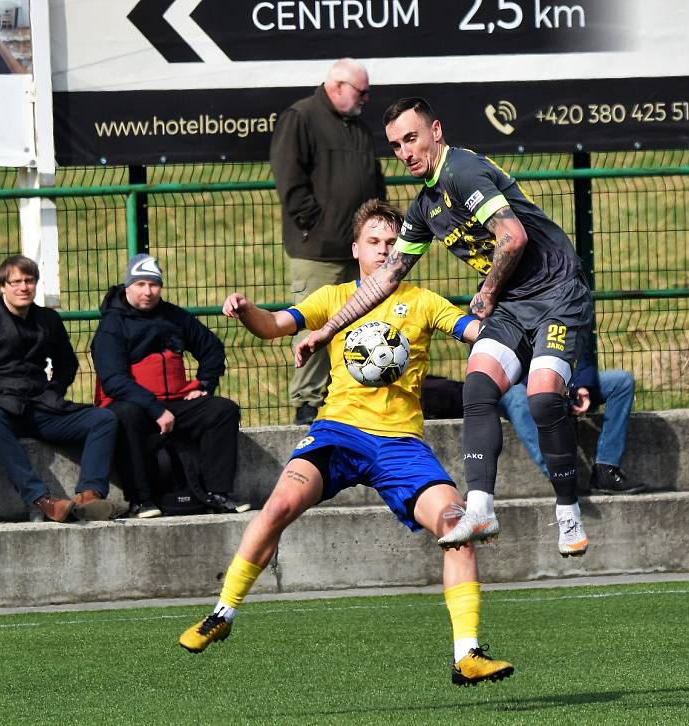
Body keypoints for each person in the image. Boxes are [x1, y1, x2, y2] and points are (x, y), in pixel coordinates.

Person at [178, 200, 514, 687]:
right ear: (356, 248)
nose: (382, 252)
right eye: (373, 243)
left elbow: (473, 331)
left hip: (401, 443)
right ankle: (222, 613)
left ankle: (468, 653)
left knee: (457, 526)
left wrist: (507, 331)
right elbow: (274, 326)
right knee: (278, 506)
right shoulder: (333, 297)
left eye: (390, 244)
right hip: (338, 431)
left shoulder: (423, 301)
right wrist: (246, 309)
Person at [296, 98, 593, 557]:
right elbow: (386, 278)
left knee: (542, 396)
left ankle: (569, 512)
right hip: (512, 304)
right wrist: (326, 329)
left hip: (556, 292)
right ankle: (480, 508)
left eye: (412, 139)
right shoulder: (423, 208)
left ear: (435, 130)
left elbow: (513, 237)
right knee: (477, 386)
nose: (405, 152)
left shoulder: (462, 171)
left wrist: (489, 290)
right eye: (395, 146)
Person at [271, 57, 386, 426]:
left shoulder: (359, 128)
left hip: (361, 254)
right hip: (318, 253)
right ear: (337, 86)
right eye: (361, 91)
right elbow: (290, 179)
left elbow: (373, 180)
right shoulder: (301, 117)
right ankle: (308, 403)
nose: (366, 98)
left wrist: (379, 226)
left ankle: (354, 397)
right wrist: (318, 225)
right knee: (314, 323)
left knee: (365, 326)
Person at [91, 254, 251, 518]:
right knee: (125, 416)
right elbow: (114, 380)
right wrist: (155, 410)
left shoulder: (174, 316)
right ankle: (141, 500)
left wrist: (204, 384)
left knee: (223, 410)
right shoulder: (111, 325)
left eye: (154, 285)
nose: (148, 291)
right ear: (128, 286)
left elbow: (212, 349)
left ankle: (219, 492)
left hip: (176, 401)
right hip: (135, 405)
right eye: (140, 284)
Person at [0, 254, 116, 522]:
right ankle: (42, 501)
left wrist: (55, 389)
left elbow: (67, 364)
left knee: (103, 418)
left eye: (29, 281)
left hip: (42, 406)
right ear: (2, 286)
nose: (23, 287)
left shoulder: (48, 319)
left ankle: (88, 497)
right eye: (15, 281)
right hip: (3, 408)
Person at [500, 347, 645, 495]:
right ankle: (560, 475)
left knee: (621, 382)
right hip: (518, 384)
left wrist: (581, 386)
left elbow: (583, 356)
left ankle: (605, 469)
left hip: (562, 382)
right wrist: (552, 388)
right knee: (518, 400)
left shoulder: (574, 323)